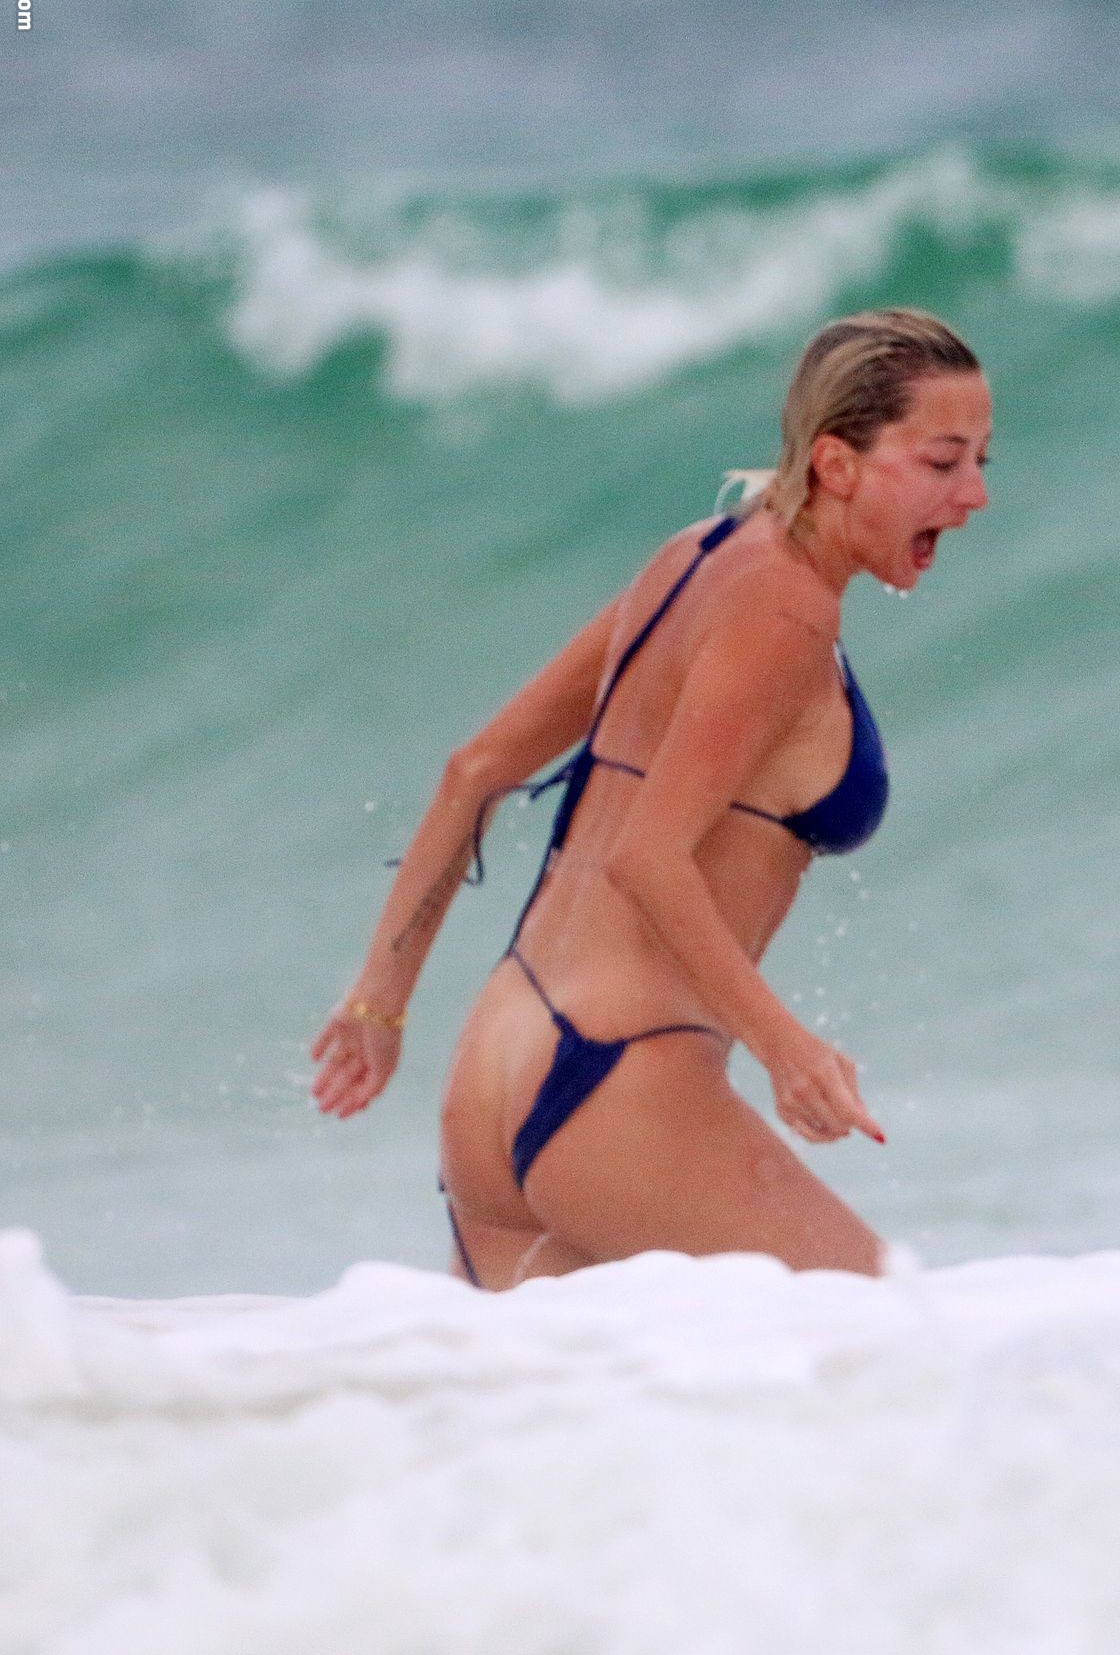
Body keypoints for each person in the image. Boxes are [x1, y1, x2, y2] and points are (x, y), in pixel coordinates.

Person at [311, 308, 991, 1289]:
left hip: (495, 1065)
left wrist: (379, 1004)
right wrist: (786, 1050)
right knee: (891, 1336)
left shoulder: (696, 555)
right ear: (837, 463)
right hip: (617, 1081)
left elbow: (476, 769)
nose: (971, 495)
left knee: (551, 1395)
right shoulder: (787, 616)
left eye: (979, 462)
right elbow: (647, 856)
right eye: (940, 463)